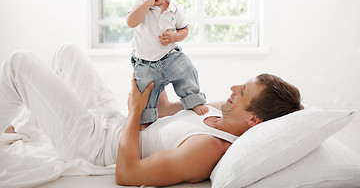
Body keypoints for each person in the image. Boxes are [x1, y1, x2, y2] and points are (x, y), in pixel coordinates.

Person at [0, 44, 303, 186]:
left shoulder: (208, 147)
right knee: (65, 53)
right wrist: (159, 66)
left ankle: (19, 125)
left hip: (97, 145)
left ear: (254, 120)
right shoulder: (211, 110)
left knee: (20, 62)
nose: (234, 87)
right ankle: (24, 129)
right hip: (114, 119)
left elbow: (127, 174)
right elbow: (168, 111)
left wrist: (134, 112)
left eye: (244, 92)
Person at [127, 0, 208, 126]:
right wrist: (148, 3)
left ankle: (193, 99)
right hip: (146, 63)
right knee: (144, 91)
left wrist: (174, 37)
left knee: (187, 69)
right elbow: (131, 22)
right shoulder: (140, 5)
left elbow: (184, 30)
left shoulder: (174, 9)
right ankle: (146, 118)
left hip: (171, 57)